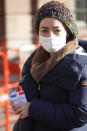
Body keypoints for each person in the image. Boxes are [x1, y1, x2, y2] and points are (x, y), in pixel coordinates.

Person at [10, 1, 87, 131]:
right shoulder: (34, 60)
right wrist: (18, 102)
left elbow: (79, 114)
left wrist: (32, 108)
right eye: (44, 30)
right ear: (38, 32)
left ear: (67, 32)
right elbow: (28, 92)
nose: (50, 36)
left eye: (56, 30)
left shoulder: (81, 65)